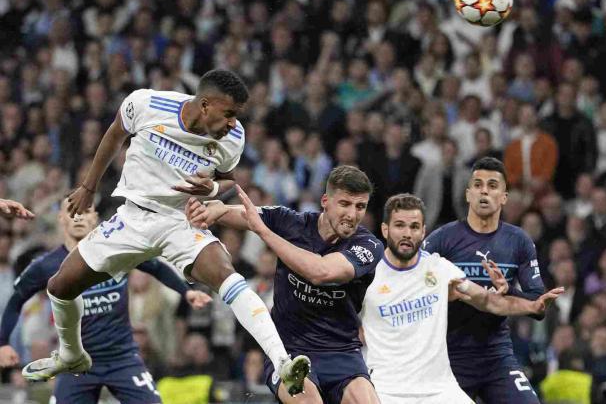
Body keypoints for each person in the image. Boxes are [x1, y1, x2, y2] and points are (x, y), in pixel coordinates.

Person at [22, 69, 310, 396]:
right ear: (205, 105)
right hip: (132, 218)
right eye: (229, 113)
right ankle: (72, 354)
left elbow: (228, 179)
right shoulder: (146, 104)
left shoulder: (233, 137)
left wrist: (213, 188)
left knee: (228, 276)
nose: (234, 123)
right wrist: (89, 187)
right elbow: (115, 134)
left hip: (180, 221)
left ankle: (283, 362)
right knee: (60, 286)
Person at [186, 165, 383, 404]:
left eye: (360, 206)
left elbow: (321, 272)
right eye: (345, 204)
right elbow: (240, 213)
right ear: (325, 201)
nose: (352, 215)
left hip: (342, 353)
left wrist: (265, 233)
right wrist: (213, 209)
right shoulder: (291, 223)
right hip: (288, 351)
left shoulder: (368, 246)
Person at [0, 197, 212, 403]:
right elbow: (16, 300)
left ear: (95, 217)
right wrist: (3, 343)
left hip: (122, 358)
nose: (79, 217)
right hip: (77, 362)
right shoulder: (45, 265)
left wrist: (186, 292)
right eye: (72, 212)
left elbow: (156, 267)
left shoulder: (117, 250)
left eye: (85, 211)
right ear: (61, 218)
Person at [361, 193, 563, 404]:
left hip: (440, 388)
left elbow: (488, 301)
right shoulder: (366, 276)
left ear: (423, 231)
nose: (407, 234)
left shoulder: (439, 269)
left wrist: (532, 306)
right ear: (385, 229)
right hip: (388, 390)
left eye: (414, 227)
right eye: (399, 225)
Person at [421, 157, 547, 403]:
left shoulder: (519, 241)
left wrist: (508, 290)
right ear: (468, 194)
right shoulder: (441, 240)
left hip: (497, 356)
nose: (484, 191)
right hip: (448, 358)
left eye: (492, 185)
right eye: (477, 185)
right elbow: (413, 287)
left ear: (504, 197)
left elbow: (537, 305)